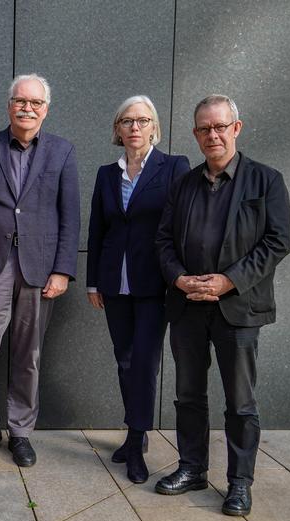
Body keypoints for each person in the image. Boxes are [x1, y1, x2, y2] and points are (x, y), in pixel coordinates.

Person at [154, 95, 290, 516]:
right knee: (188, 395)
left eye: (219, 127)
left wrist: (228, 281)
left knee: (240, 402)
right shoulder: (183, 184)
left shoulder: (266, 181)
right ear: (195, 134)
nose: (212, 135)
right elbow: (162, 241)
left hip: (239, 308)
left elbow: (277, 242)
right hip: (188, 305)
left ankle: (239, 482)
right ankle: (192, 468)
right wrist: (179, 278)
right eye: (203, 129)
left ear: (237, 127)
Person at [0, 74, 79, 467]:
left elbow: (70, 216)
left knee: (28, 354)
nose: (27, 108)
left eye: (35, 102)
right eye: (20, 101)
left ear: (46, 109)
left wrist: (63, 270)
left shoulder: (62, 152)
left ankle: (21, 432)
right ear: (9, 105)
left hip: (40, 267)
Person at [86, 96, 190, 483]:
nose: (134, 127)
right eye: (127, 121)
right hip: (115, 283)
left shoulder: (174, 166)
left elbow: (184, 223)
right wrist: (94, 281)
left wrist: (181, 275)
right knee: (124, 359)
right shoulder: (105, 173)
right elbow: (98, 229)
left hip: (155, 283)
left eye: (142, 120)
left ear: (154, 128)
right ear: (117, 129)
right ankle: (136, 433)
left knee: (144, 361)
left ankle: (135, 439)